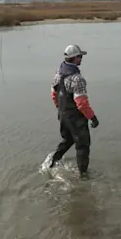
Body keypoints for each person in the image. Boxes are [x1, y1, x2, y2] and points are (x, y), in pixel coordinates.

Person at [49, 44, 99, 178]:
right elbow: (81, 103)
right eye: (80, 56)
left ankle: (52, 162)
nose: (81, 59)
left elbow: (54, 95)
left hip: (63, 116)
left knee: (68, 140)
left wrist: (60, 111)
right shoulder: (77, 79)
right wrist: (93, 118)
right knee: (83, 145)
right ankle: (83, 176)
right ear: (75, 58)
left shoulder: (58, 74)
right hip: (76, 118)